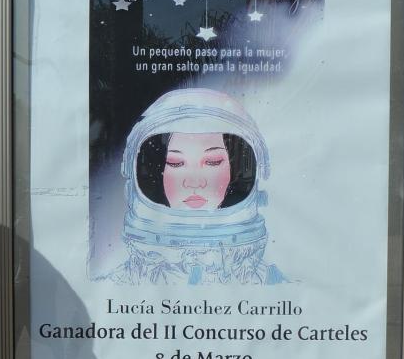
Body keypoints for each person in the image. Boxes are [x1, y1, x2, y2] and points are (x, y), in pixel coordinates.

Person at [105, 87, 286, 285]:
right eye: (175, 163)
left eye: (213, 162)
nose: (193, 181)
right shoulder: (114, 288)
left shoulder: (275, 286)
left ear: (235, 169)